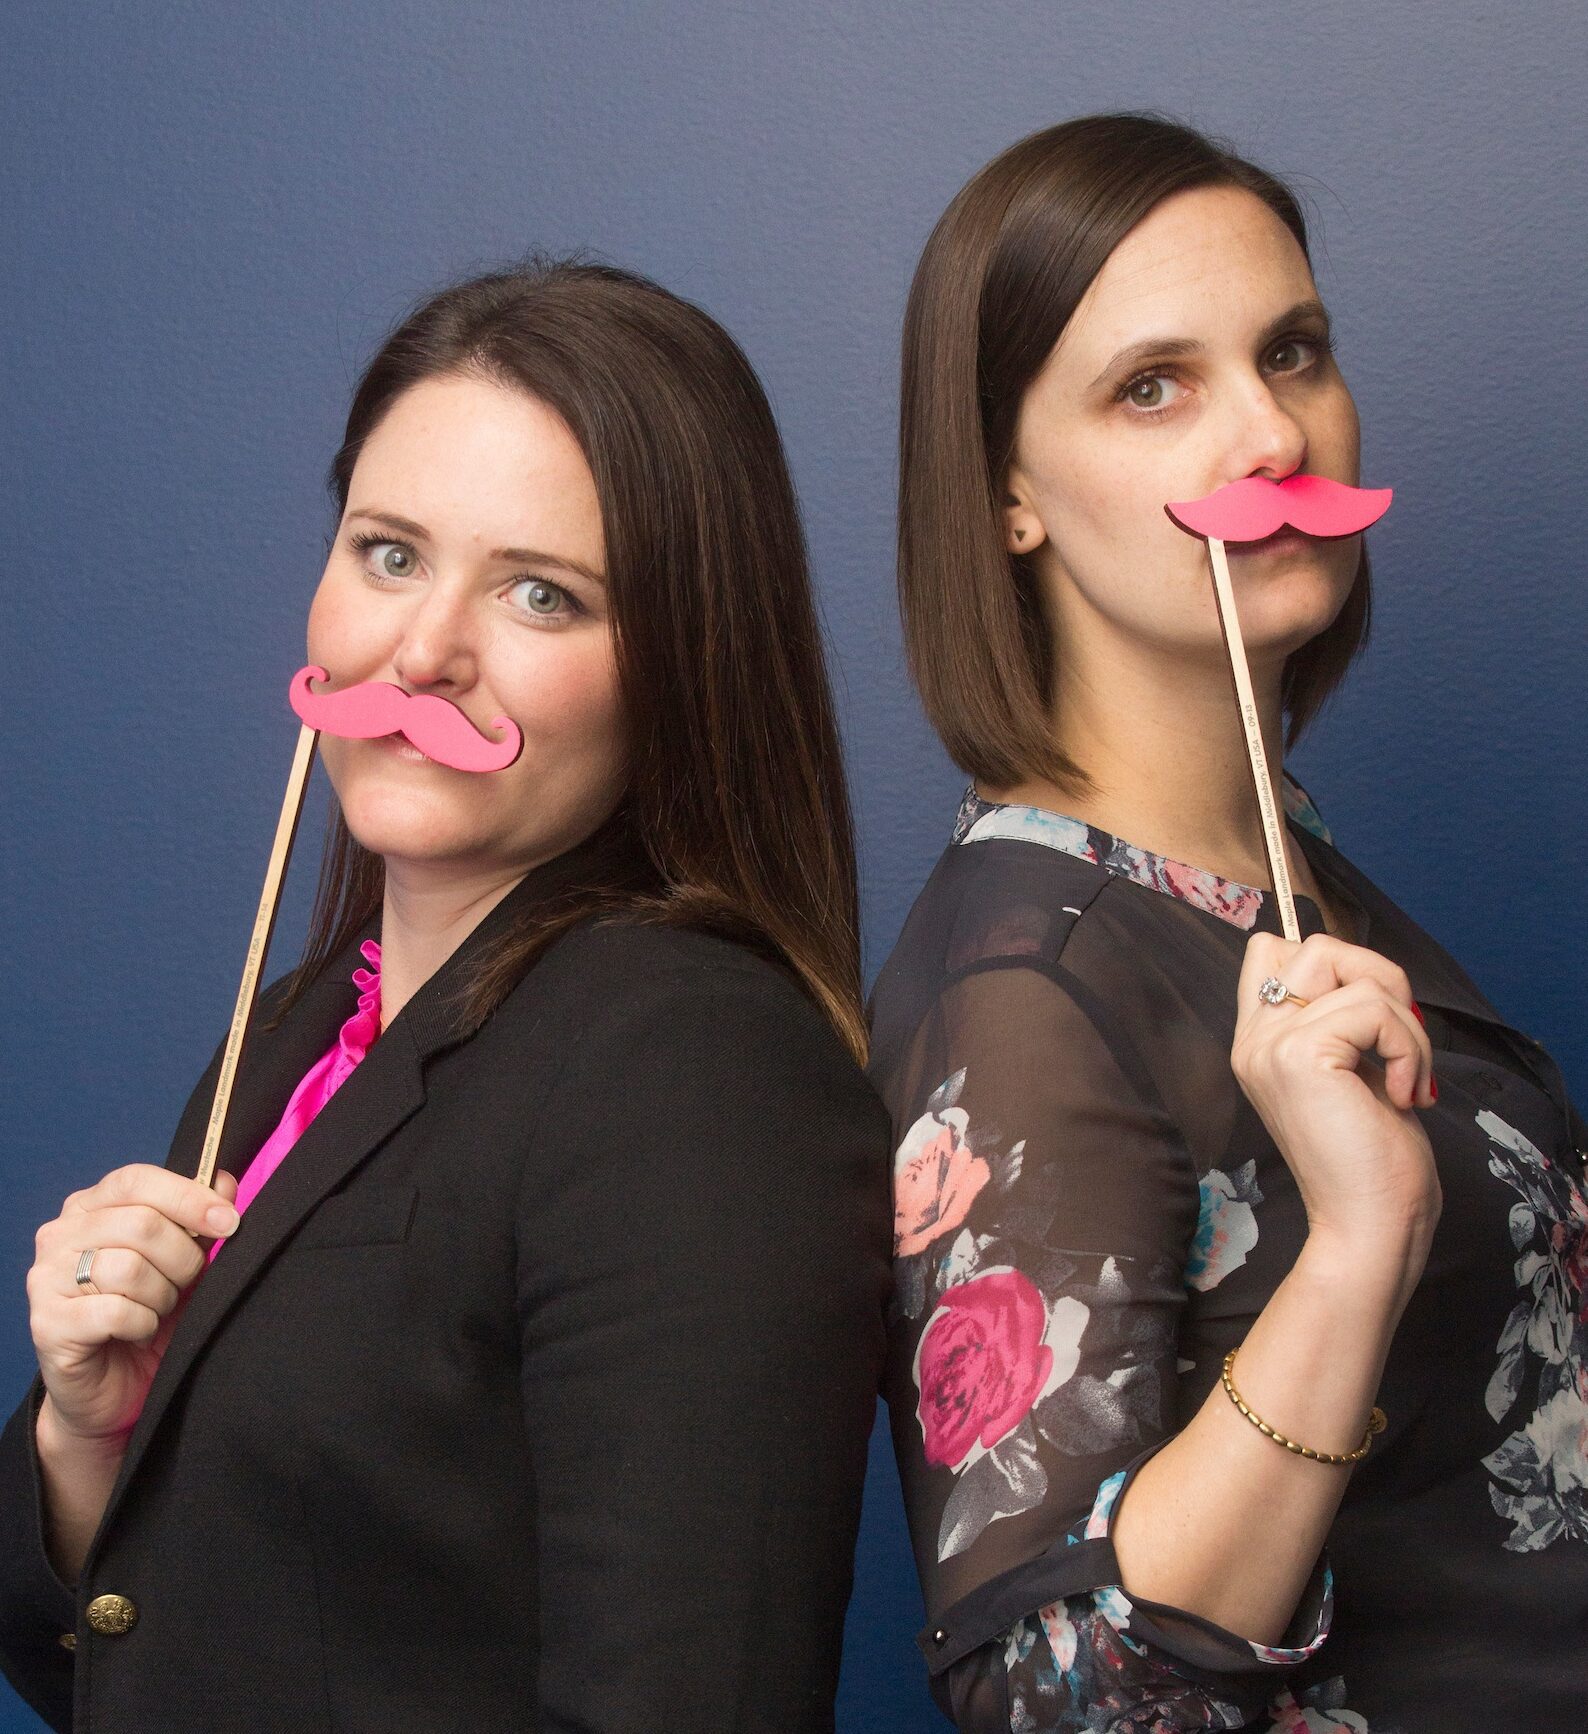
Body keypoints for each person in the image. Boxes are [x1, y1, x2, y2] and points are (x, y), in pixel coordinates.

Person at [0, 260, 892, 1733]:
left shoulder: (698, 1068)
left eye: (542, 592)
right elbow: (162, 1652)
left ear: (681, 665)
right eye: (389, 552)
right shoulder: (293, 1037)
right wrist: (92, 1442)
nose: (419, 652)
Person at [872, 115, 1587, 1731]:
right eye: (1154, 385)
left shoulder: (1283, 879)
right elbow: (1057, 1694)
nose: (1273, 432)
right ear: (1007, 498)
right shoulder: (1028, 984)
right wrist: (1357, 1250)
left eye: (1294, 352)